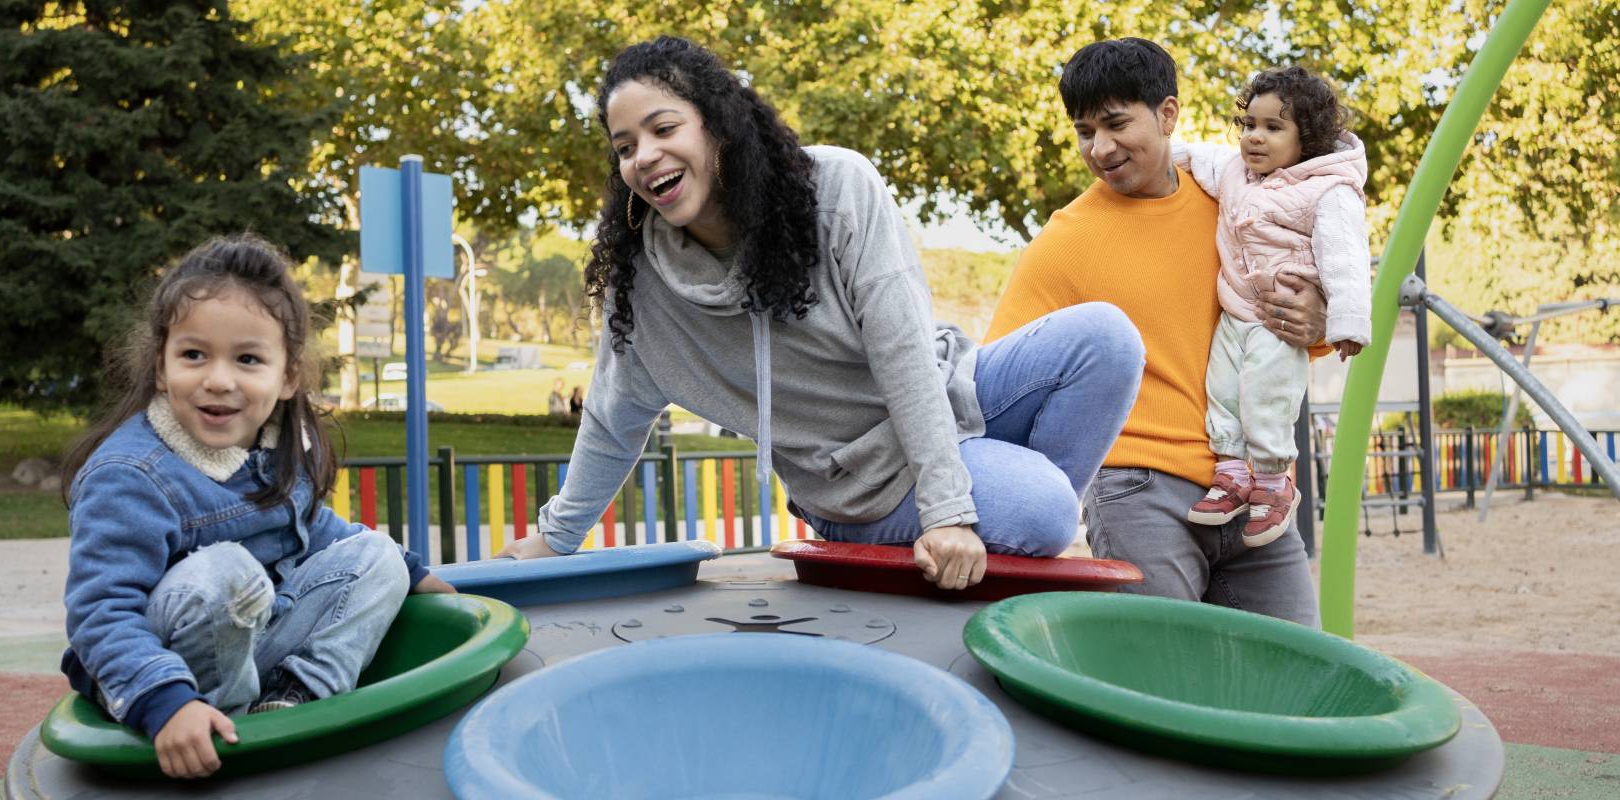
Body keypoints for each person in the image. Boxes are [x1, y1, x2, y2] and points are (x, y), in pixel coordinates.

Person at [496, 36, 1145, 591]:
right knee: (1043, 508)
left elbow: (903, 355)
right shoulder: (642, 286)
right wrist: (553, 541)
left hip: (939, 395)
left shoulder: (834, 188)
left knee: (1107, 339)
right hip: (854, 482)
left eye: (664, 129)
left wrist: (949, 510)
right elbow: (613, 421)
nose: (643, 156)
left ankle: (984, 538)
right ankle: (1004, 519)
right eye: (625, 145)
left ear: (717, 124)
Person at [57, 234, 455, 780]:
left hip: (249, 647)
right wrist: (164, 701)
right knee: (229, 572)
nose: (218, 380)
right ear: (160, 366)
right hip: (155, 670)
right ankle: (209, 718)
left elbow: (311, 530)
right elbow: (100, 613)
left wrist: (409, 574)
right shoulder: (129, 476)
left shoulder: (269, 450)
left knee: (376, 553)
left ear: (287, 376)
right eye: (194, 355)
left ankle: (295, 698)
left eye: (247, 359)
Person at [983, 38, 1329, 626]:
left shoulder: (1233, 200)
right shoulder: (1065, 242)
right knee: (1167, 689)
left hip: (1253, 487)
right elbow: (995, 385)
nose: (1100, 148)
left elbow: (1286, 319)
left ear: (1167, 114)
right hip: (1137, 489)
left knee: (1303, 675)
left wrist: (1317, 321)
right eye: (1084, 131)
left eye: (1116, 123)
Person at [1175, 66, 1370, 547]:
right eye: (1249, 125)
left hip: (1281, 316)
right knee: (1220, 390)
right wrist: (1163, 155)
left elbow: (1346, 257)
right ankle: (1233, 474)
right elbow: (1196, 156)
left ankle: (1273, 480)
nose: (1254, 138)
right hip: (1237, 308)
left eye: (1273, 127)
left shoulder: (1327, 190)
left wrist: (1346, 321)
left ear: (1308, 139)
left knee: (1266, 396)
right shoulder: (1237, 173)